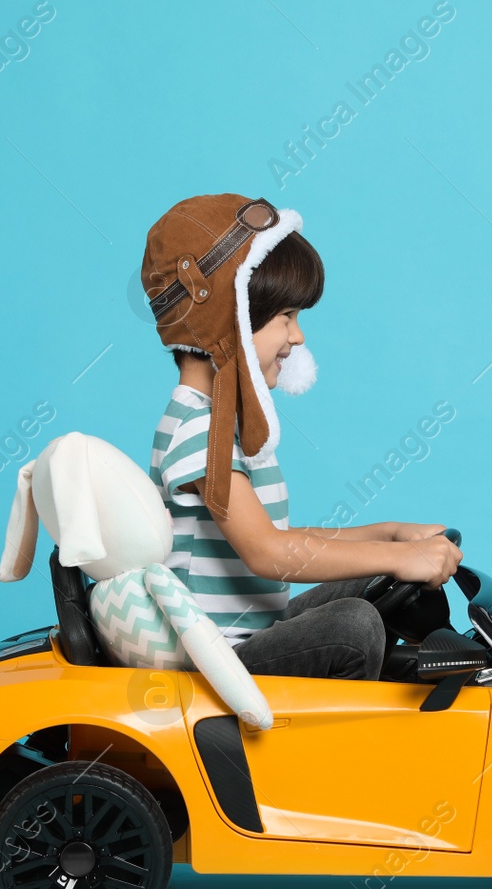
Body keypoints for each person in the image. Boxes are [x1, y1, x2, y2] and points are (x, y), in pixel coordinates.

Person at [142, 194, 460, 681]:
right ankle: (336, 751)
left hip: (252, 634)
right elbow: (267, 551)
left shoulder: (221, 423)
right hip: (219, 662)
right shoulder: (199, 430)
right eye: (286, 317)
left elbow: (286, 540)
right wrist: (400, 555)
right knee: (352, 627)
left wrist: (388, 536)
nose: (298, 337)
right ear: (226, 320)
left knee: (371, 578)